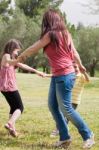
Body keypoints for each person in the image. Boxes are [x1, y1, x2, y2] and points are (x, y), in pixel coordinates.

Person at [17, 9, 95, 149]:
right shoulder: (65, 33)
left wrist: (18, 58)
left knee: (66, 109)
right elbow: (74, 52)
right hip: (59, 74)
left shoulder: (51, 34)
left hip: (65, 75)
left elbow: (34, 47)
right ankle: (65, 138)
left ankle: (88, 135)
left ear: (49, 20)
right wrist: (80, 65)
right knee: (53, 106)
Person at [0, 39, 46, 137]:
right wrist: (19, 58)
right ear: (12, 48)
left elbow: (23, 65)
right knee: (20, 107)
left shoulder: (11, 58)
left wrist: (37, 71)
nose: (17, 52)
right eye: (17, 50)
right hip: (9, 87)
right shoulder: (6, 56)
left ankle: (12, 130)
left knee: (13, 107)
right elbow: (10, 62)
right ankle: (10, 123)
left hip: (5, 88)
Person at [50, 62, 90, 137]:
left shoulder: (82, 76)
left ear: (79, 68)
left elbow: (88, 80)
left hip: (75, 101)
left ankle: (58, 129)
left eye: (76, 67)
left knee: (67, 115)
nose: (74, 69)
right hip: (66, 99)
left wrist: (84, 72)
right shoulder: (70, 76)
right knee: (61, 114)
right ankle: (62, 128)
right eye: (73, 67)